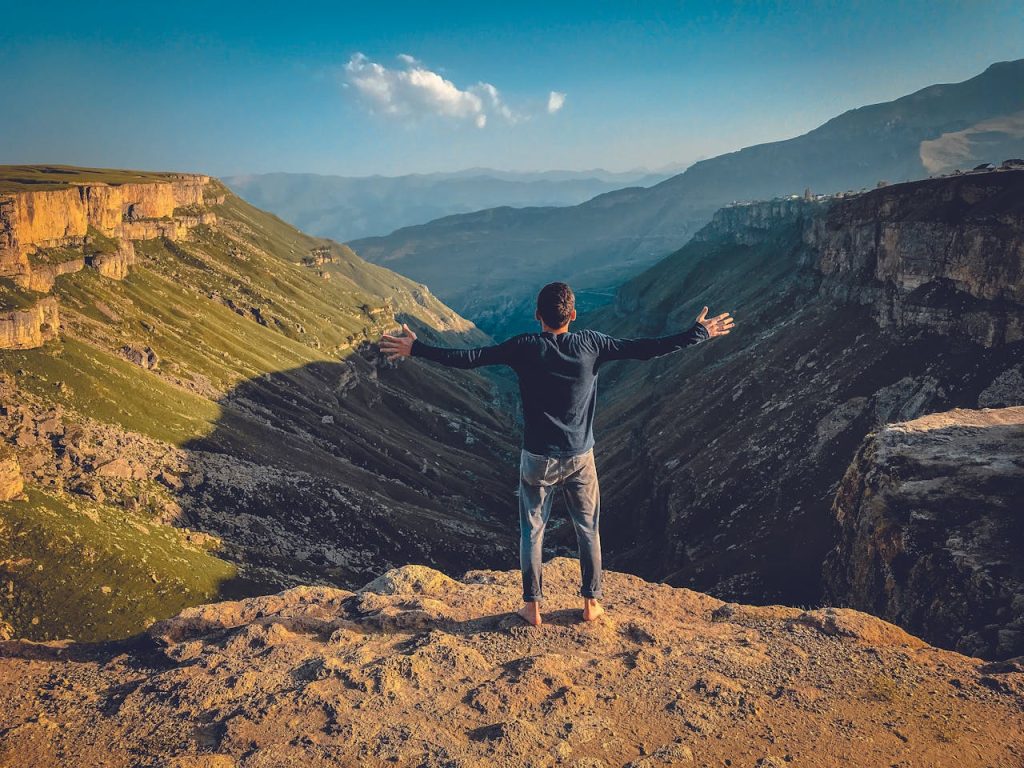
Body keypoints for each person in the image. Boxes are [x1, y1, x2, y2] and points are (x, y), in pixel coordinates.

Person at [378, 282, 734, 626]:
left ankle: (532, 608)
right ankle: (591, 604)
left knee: (532, 532)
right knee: (588, 530)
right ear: (573, 314)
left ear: (537, 315)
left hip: (536, 458)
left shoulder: (525, 347)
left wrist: (417, 348)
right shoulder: (592, 344)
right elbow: (646, 348)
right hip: (580, 457)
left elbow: (471, 357)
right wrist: (698, 333)